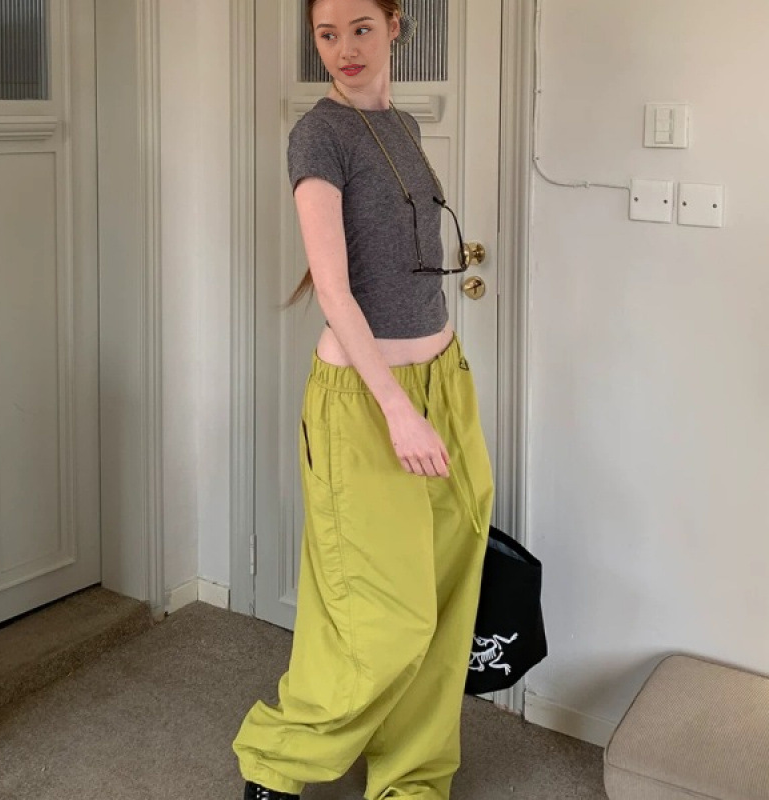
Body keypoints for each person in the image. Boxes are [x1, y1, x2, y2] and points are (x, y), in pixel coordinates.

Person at [232, 1, 494, 798]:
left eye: (360, 29)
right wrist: (398, 410)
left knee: (445, 594)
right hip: (368, 399)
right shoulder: (319, 135)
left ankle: (412, 777)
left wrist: (437, 388)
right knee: (383, 613)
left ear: (395, 27)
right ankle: (278, 763)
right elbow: (335, 291)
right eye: (326, 33)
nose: (344, 48)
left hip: (443, 380)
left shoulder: (403, 128)